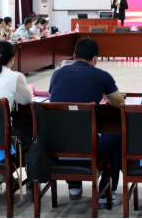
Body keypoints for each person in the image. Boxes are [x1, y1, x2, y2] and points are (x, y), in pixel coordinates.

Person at [49, 38, 125, 208]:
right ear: (95, 58)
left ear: (74, 56)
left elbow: (53, 98)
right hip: (87, 143)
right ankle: (105, 194)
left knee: (71, 133)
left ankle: (74, 186)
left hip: (56, 142)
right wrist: (104, 95)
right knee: (118, 138)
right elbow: (120, 103)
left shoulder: (57, 74)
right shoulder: (101, 75)